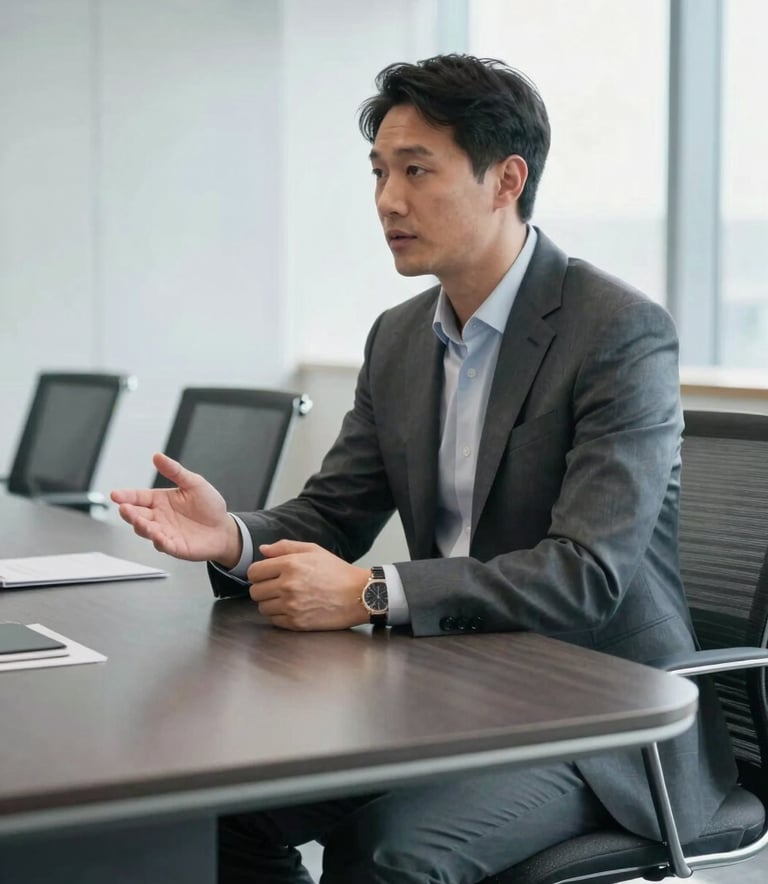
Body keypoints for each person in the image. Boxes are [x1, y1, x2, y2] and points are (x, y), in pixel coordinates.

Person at [112, 54, 736, 884]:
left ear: (505, 179)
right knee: (217, 811)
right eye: (378, 172)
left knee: (391, 854)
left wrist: (374, 592)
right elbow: (333, 514)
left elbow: (587, 576)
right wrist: (230, 536)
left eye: (416, 171)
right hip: (448, 697)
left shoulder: (617, 331)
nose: (387, 201)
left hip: (601, 720)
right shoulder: (400, 338)